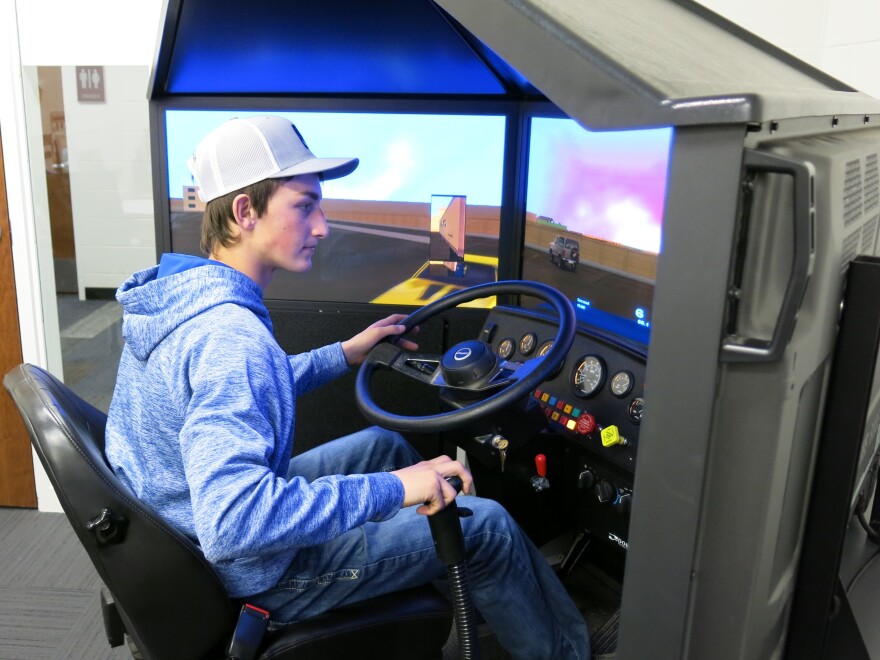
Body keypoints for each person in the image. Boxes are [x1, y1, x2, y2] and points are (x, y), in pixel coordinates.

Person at [105, 115, 590, 659]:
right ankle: (571, 652)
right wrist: (398, 489)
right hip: (254, 573)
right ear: (245, 212)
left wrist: (343, 353)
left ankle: (475, 591)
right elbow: (234, 523)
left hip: (186, 528)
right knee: (490, 527)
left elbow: (235, 393)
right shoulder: (229, 339)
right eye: (304, 204)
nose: (322, 227)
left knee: (385, 447)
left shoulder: (180, 300)